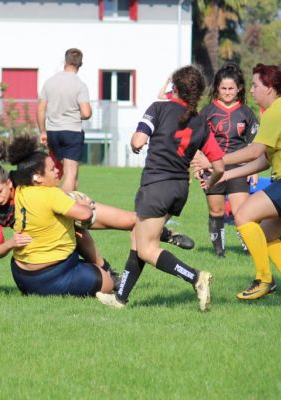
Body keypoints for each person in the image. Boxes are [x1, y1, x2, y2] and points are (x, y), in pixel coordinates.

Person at [0, 131, 194, 275]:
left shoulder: (22, 179)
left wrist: (48, 143)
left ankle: (166, 234)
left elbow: (40, 166)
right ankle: (109, 273)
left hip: (65, 206)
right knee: (79, 234)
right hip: (50, 236)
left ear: (9, 182)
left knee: (129, 221)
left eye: (0, 191)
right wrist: (11, 243)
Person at [96, 65, 224, 312]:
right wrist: (211, 182)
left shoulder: (159, 108)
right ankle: (120, 299)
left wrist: (136, 146)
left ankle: (196, 277)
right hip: (179, 189)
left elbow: (138, 140)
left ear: (174, 87)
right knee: (138, 236)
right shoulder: (201, 123)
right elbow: (219, 165)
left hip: (156, 186)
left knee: (147, 248)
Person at [195, 63, 281, 301]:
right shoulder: (277, 111)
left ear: (270, 87)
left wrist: (216, 161)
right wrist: (225, 174)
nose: (251, 90)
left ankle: (264, 280)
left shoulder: (277, 111)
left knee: (243, 216)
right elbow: (264, 160)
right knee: (266, 235)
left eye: (255, 85)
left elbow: (254, 151)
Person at [1, 134, 114, 296]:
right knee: (108, 283)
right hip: (51, 276)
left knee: (70, 230)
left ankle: (97, 268)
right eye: (52, 169)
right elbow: (85, 215)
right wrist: (83, 204)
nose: (57, 173)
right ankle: (106, 270)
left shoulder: (19, 188)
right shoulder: (51, 194)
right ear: (37, 176)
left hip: (21, 276)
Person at [198, 63, 258, 257]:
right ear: (217, 88)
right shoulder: (207, 112)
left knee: (241, 212)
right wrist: (199, 163)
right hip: (212, 168)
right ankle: (219, 253)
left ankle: (249, 248)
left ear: (239, 88)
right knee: (216, 211)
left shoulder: (247, 113)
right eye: (223, 88)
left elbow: (254, 144)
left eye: (231, 88)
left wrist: (254, 170)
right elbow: (196, 142)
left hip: (239, 168)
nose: (227, 92)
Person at [37, 48, 91, 193]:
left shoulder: (49, 82)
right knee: (71, 174)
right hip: (71, 132)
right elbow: (86, 113)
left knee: (58, 173)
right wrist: (74, 114)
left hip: (53, 133)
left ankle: (66, 205)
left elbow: (41, 108)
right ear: (81, 64)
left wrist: (42, 131)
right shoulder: (80, 85)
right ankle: (64, 209)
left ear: (65, 61)